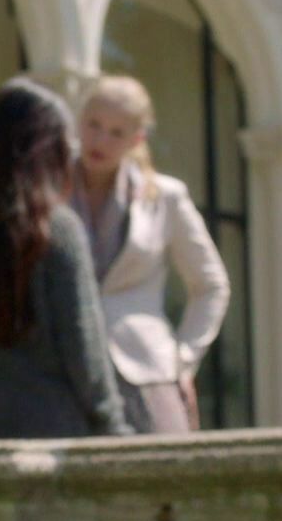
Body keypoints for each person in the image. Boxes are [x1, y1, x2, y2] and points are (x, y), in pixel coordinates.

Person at [0, 78, 132, 441]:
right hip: (55, 443)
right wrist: (114, 428)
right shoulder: (56, 228)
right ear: (50, 151)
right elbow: (84, 350)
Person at [68, 75, 229, 433]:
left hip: (144, 369)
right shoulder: (47, 188)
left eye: (117, 132)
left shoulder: (167, 197)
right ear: (79, 120)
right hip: (62, 373)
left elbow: (211, 285)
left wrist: (184, 359)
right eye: (94, 124)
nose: (100, 140)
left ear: (137, 139)